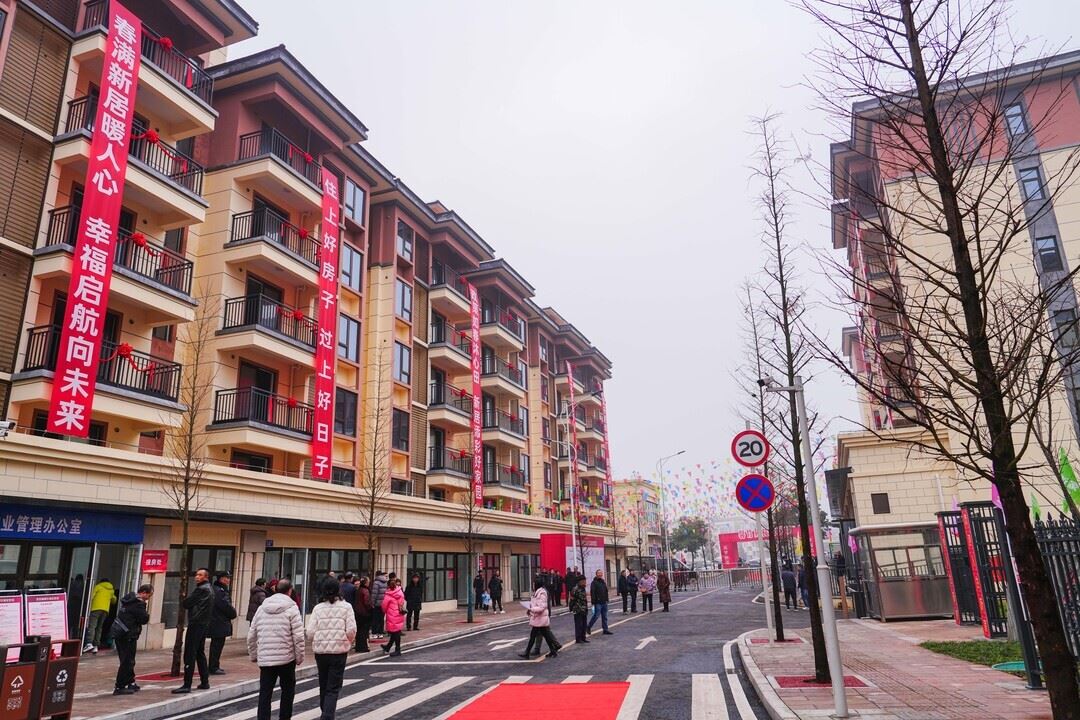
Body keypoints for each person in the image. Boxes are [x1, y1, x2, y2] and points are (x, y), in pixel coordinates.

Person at [248, 578, 305, 720]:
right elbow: (298, 636)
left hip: (266, 659)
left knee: (265, 693)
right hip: (286, 658)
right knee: (287, 691)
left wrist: (254, 655)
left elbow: (252, 635)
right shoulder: (292, 608)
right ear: (290, 591)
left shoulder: (262, 608)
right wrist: (299, 657)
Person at [307, 578, 356, 720]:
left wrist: (318, 639)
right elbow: (351, 629)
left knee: (323, 683)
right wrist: (348, 641)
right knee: (333, 687)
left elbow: (310, 632)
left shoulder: (318, 608)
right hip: (339, 651)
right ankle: (327, 716)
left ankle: (325, 711)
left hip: (321, 652)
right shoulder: (346, 607)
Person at [173, 568, 213, 694]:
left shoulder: (201, 589)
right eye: (196, 574)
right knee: (200, 652)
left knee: (190, 654)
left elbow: (186, 603)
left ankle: (187, 684)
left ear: (206, 577)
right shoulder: (209, 589)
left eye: (200, 575)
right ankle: (204, 681)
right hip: (203, 624)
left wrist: (185, 598)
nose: (197, 577)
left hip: (196, 623)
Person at [112, 584, 153, 695]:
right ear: (144, 592)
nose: (148, 598)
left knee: (128, 660)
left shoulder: (128, 600)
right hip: (128, 635)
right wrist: (145, 607)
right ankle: (120, 686)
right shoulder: (138, 604)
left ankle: (130, 682)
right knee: (127, 661)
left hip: (121, 633)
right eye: (149, 595)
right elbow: (144, 619)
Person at [520, 576, 561, 658]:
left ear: (537, 584)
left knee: (533, 636)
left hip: (540, 618)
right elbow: (536, 604)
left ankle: (527, 652)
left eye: (534, 583)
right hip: (539, 618)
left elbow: (542, 607)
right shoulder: (537, 593)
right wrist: (530, 608)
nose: (533, 585)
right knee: (546, 635)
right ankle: (553, 651)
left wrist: (532, 609)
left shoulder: (542, 593)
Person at [209, 571, 238, 675]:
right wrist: (233, 613)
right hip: (219, 622)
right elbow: (225, 606)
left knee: (216, 645)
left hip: (218, 621)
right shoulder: (219, 591)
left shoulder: (218, 589)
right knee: (217, 646)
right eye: (227, 578)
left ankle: (214, 666)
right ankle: (213, 667)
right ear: (221, 579)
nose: (228, 580)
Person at [84, 576, 117, 654]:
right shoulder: (111, 590)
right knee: (99, 627)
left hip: (96, 608)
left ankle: (89, 643)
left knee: (92, 626)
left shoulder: (98, 587)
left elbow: (91, 596)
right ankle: (96, 645)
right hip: (105, 610)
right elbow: (114, 600)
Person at [381, 577, 406, 657]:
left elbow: (384, 606)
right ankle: (388, 647)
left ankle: (397, 650)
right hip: (399, 613)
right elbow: (402, 602)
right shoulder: (400, 592)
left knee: (395, 633)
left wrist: (385, 611)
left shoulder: (388, 595)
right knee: (395, 631)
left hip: (391, 614)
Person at [587, 569, 613, 635]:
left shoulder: (603, 582)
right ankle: (588, 626)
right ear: (596, 574)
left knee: (605, 616)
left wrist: (607, 599)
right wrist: (593, 602)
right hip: (598, 602)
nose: (600, 574)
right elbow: (592, 592)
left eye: (601, 573)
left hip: (604, 601)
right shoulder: (594, 582)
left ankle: (605, 629)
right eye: (599, 573)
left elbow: (606, 591)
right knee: (596, 615)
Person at [353, 576, 372, 653]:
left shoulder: (359, 590)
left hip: (357, 612)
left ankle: (358, 646)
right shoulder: (365, 591)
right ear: (366, 583)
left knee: (359, 630)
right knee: (364, 631)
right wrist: (371, 608)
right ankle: (363, 647)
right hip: (364, 613)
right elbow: (367, 602)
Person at [569, 575, 589, 644]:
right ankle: (578, 639)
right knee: (578, 625)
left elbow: (584, 600)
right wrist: (571, 608)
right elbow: (572, 600)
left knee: (584, 624)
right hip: (578, 609)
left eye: (585, 581)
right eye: (583, 581)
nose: (585, 582)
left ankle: (583, 638)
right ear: (580, 581)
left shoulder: (583, 588)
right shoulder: (575, 589)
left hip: (584, 609)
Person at [370, 571, 388, 639]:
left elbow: (374, 594)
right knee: (381, 619)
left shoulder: (376, 583)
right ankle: (380, 633)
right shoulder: (385, 582)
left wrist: (372, 603)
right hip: (383, 603)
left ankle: (374, 633)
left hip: (377, 604)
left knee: (375, 619)